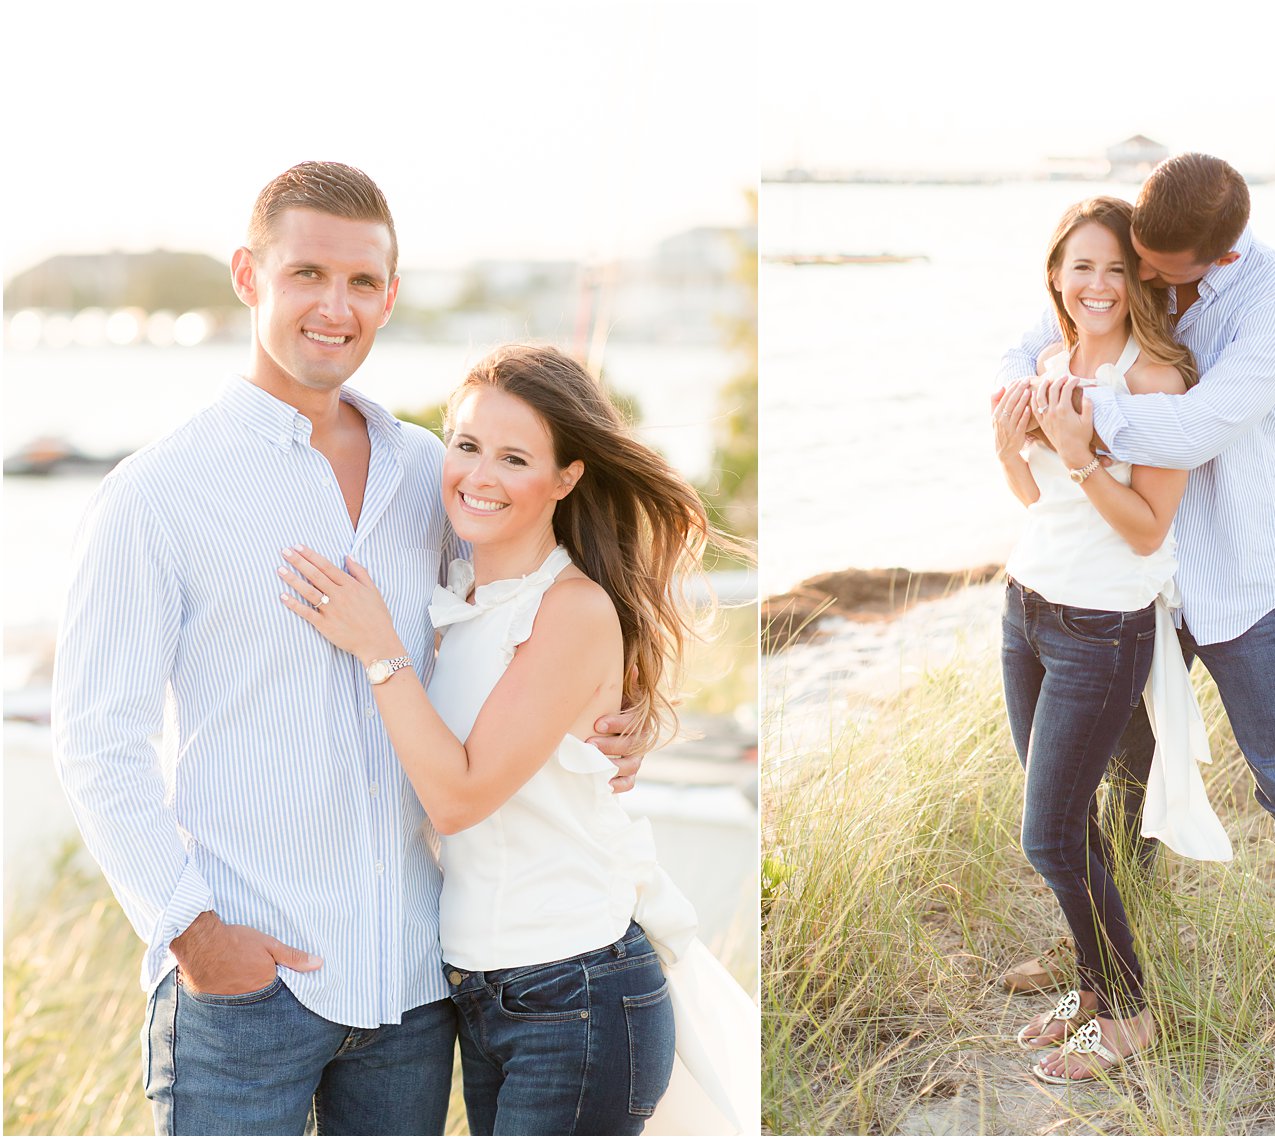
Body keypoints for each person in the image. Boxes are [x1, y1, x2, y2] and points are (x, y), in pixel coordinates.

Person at [52, 162, 648, 1136]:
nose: (336, 306)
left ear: (390, 295)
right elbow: (96, 741)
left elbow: (538, 605)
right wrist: (194, 934)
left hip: (412, 984)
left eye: (362, 281)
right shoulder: (157, 494)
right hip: (246, 986)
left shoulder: (434, 470)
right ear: (249, 274)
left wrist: (624, 714)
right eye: (307, 274)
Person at [276, 343, 754, 1135]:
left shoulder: (569, 609)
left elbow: (459, 796)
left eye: (514, 457)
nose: (479, 475)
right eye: (465, 445)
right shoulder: (462, 599)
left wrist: (377, 646)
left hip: (574, 991)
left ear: (566, 477)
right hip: (483, 992)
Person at [998, 153, 1275, 1091]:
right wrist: (1027, 399)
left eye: (1158, 270)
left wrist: (1073, 424)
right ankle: (1105, 959)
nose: (1141, 280)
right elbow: (1027, 343)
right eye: (1133, 261)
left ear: (1217, 253)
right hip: (1130, 590)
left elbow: (1195, 430)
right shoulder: (1136, 257)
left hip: (1236, 582)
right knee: (1120, 777)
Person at [994, 195, 1231, 1084]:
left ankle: (1132, 1010)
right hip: (1026, 607)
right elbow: (1030, 498)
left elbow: (1144, 531)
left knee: (1049, 834)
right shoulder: (1051, 362)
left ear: (1140, 278)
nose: (1098, 284)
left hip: (1102, 627)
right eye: (1080, 266)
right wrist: (1010, 445)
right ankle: (1095, 984)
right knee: (1066, 822)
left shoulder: (1159, 383)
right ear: (1055, 274)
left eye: (1116, 268)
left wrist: (1080, 449)